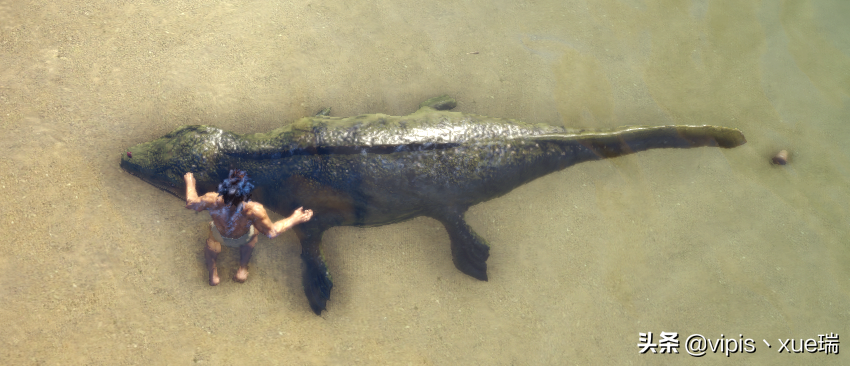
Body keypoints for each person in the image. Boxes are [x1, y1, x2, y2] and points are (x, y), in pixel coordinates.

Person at [184, 170, 313, 286]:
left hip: (220, 234)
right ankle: (242, 269)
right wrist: (294, 218)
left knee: (211, 240)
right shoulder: (254, 210)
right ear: (246, 195)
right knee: (254, 232)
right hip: (243, 237)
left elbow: (191, 203)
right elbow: (272, 233)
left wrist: (190, 182)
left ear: (223, 189)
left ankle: (213, 275)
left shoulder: (211, 200)